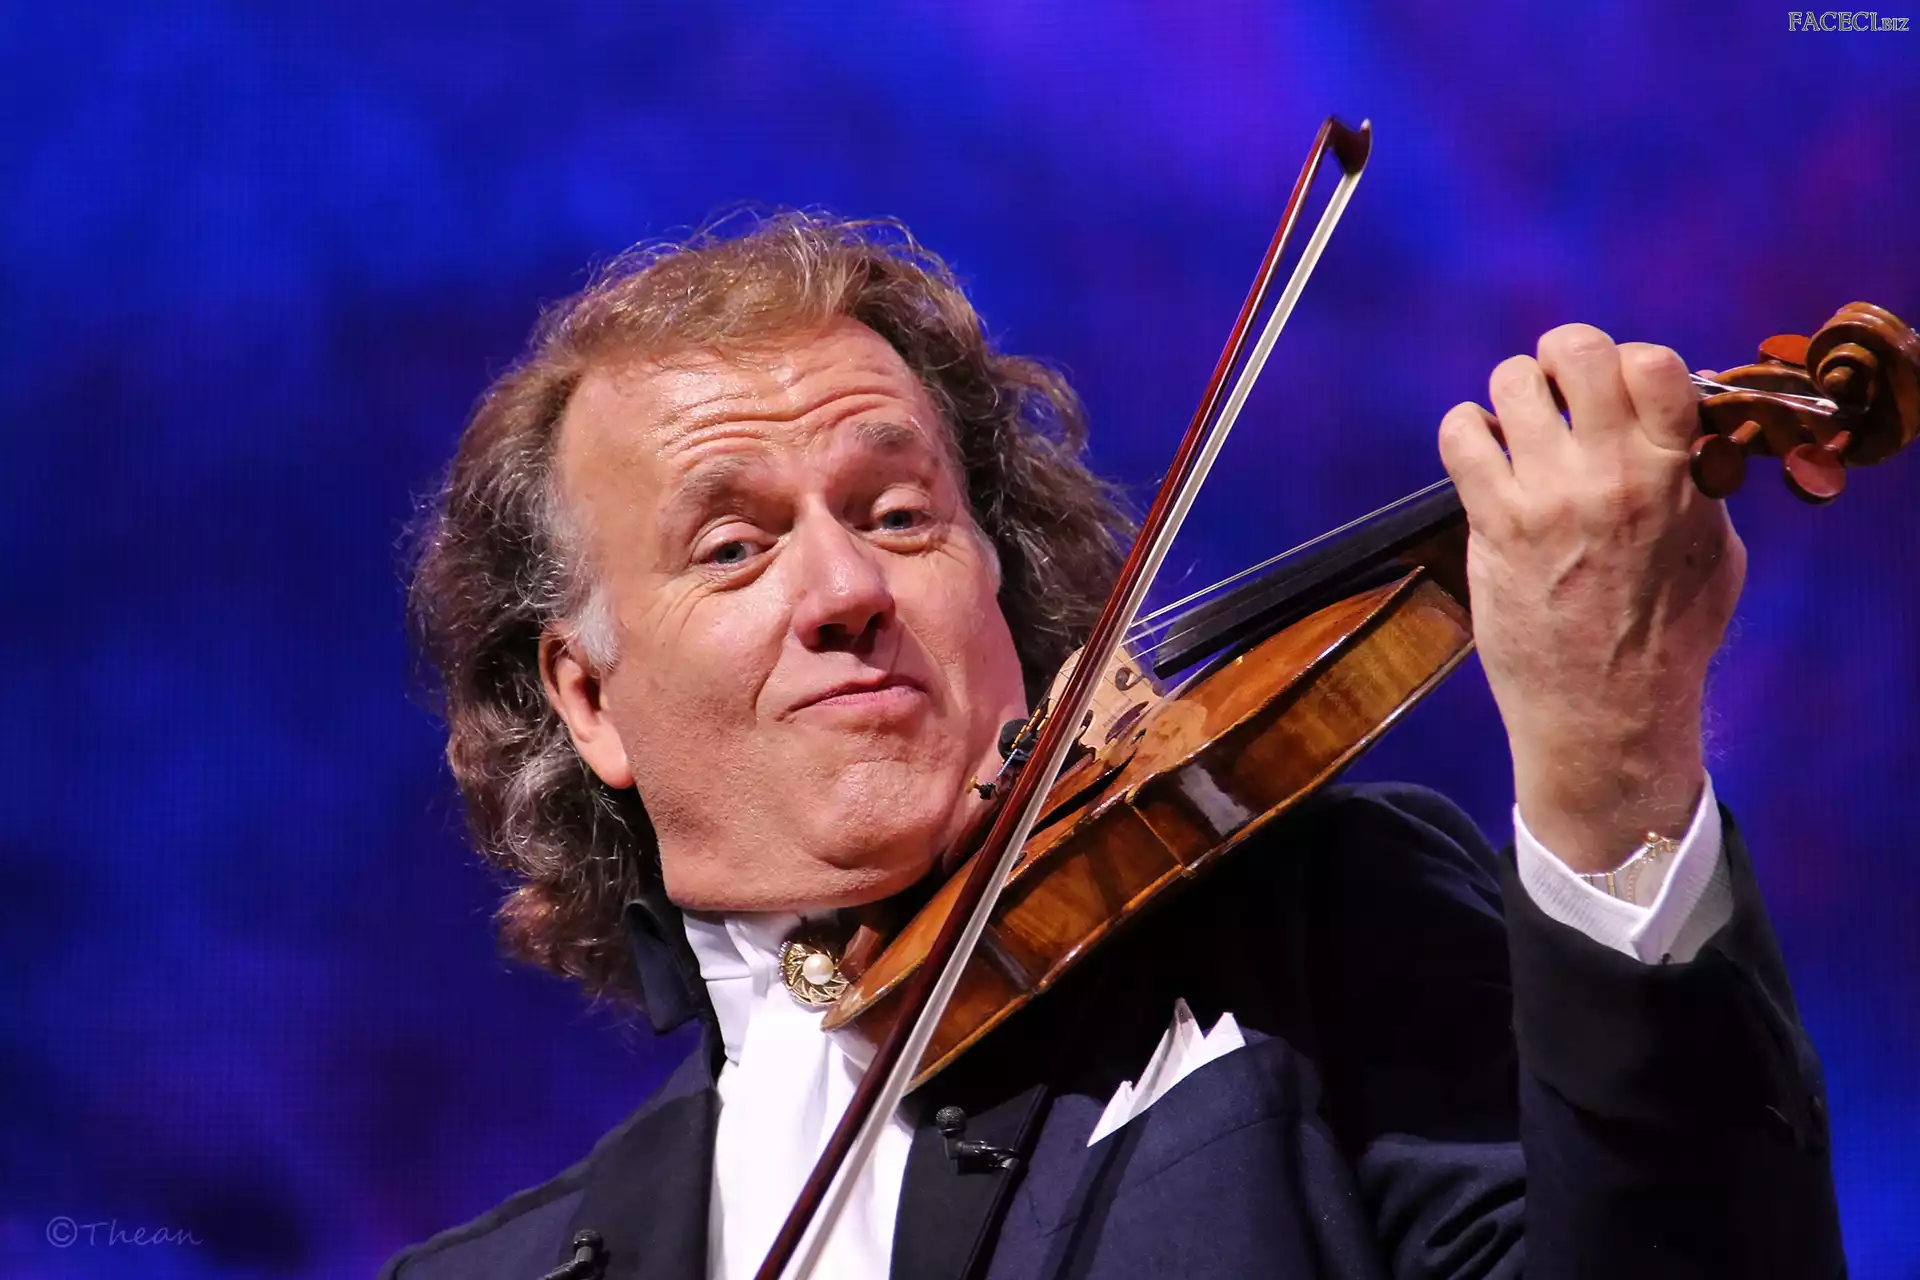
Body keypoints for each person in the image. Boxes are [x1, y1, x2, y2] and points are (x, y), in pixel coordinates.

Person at [382, 213, 1840, 1279]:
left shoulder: (1304, 941)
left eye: (900, 515)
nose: (843, 587)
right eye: (733, 546)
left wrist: (1610, 766)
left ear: (998, 587)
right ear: (587, 699)